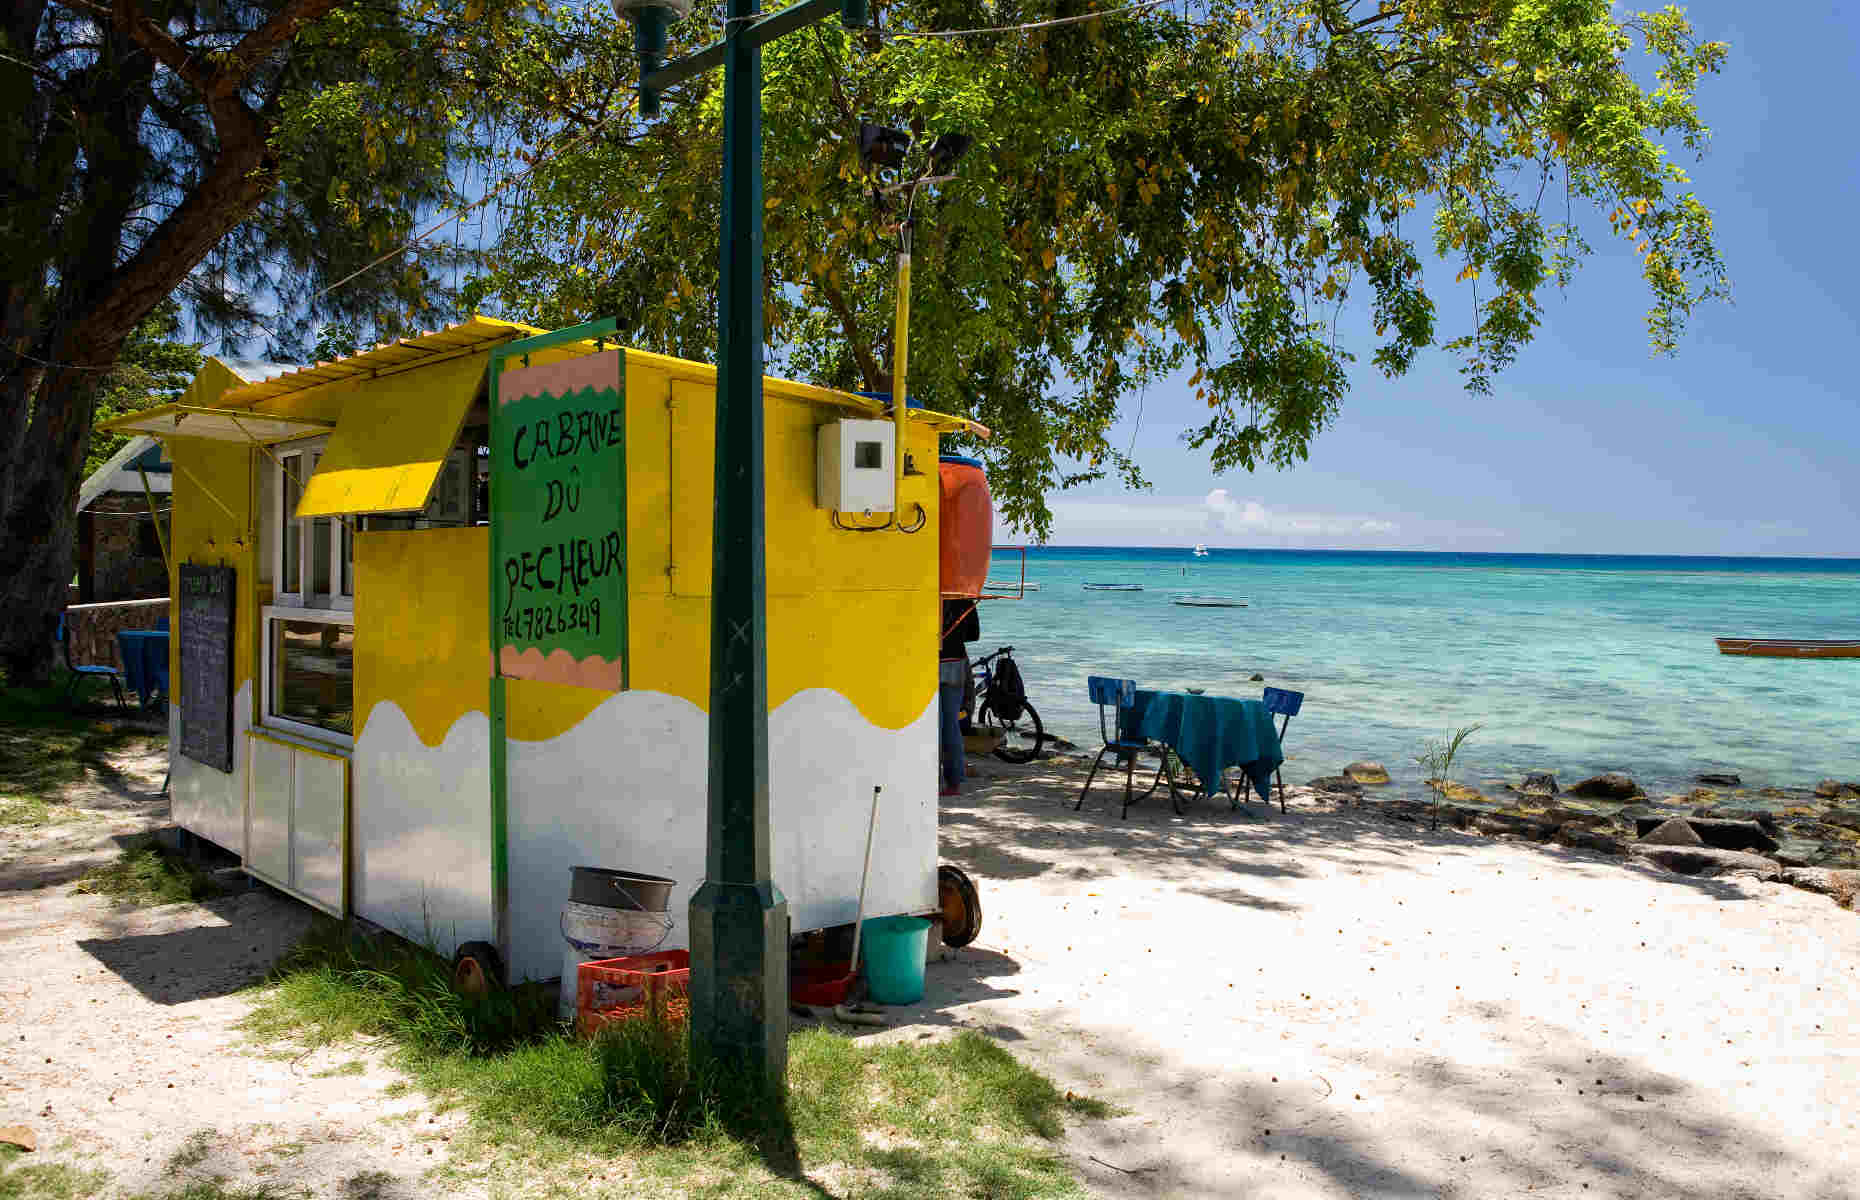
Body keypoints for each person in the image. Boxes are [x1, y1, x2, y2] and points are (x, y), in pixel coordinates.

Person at [939, 597, 980, 797]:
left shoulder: (924, 592)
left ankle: (933, 781)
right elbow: (973, 634)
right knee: (951, 726)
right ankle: (953, 782)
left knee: (932, 727)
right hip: (956, 661)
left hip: (930, 660)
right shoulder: (963, 596)